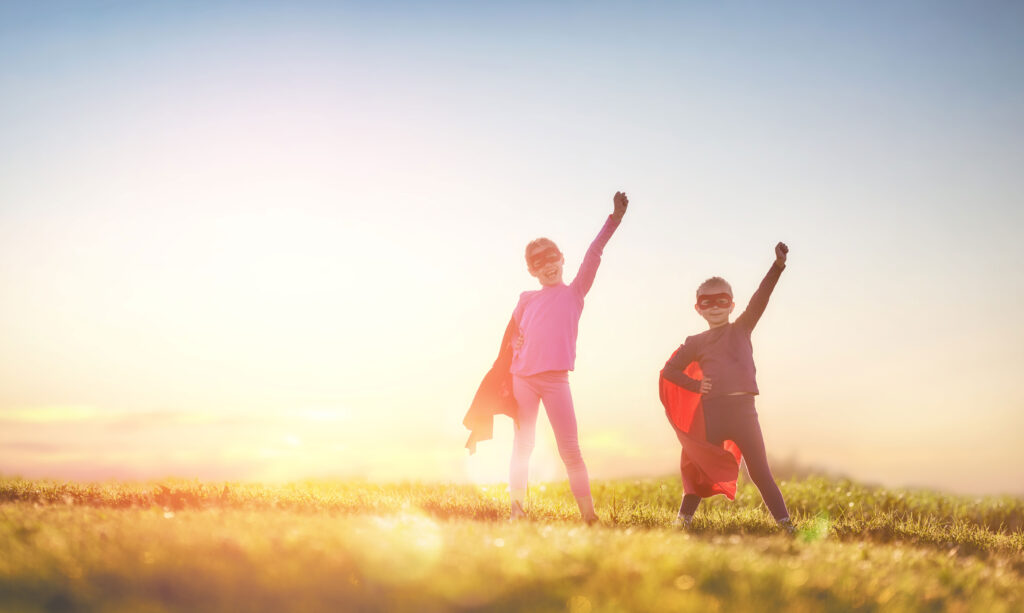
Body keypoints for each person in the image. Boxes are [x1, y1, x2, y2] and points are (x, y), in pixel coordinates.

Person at [501, 192, 628, 523]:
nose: (548, 265)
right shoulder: (526, 298)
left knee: (570, 450)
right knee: (523, 446)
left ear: (562, 258)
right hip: (523, 380)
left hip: (557, 380)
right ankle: (517, 512)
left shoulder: (575, 292)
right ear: (532, 270)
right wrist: (516, 342)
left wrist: (613, 219)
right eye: (539, 262)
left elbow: (594, 253)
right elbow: (511, 336)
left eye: (552, 257)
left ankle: (589, 517)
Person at [660, 242, 794, 533]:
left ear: (732, 304)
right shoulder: (695, 342)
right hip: (712, 413)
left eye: (722, 301)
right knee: (697, 467)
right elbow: (669, 371)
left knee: (760, 472)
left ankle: (786, 525)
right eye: (707, 302)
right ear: (698, 308)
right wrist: (695, 385)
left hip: (745, 413)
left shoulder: (742, 327)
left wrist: (777, 266)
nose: (715, 307)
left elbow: (761, 298)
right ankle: (683, 521)